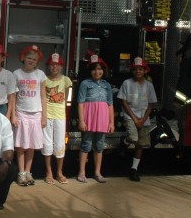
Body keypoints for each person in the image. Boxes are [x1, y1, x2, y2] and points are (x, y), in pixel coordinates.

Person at [117, 57, 157, 182]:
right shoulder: (127, 83)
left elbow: (150, 104)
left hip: (144, 117)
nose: (138, 71)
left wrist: (143, 118)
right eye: (135, 69)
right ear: (132, 71)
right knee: (133, 138)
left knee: (141, 144)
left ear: (145, 71)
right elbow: (123, 102)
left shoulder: (149, 86)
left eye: (140, 69)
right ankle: (124, 142)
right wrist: (134, 118)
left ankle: (134, 169)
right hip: (130, 116)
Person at [12, 45, 47, 187]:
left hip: (36, 113)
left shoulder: (41, 75)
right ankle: (21, 173)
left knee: (31, 145)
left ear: (37, 61)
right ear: (23, 58)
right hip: (21, 112)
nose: (31, 61)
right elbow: (13, 96)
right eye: (29, 58)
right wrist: (13, 115)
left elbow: (43, 97)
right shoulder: (16, 74)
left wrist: (44, 116)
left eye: (34, 59)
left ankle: (28, 172)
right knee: (20, 145)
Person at [77, 54, 114, 184]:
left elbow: (110, 104)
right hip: (89, 117)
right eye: (94, 69)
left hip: (102, 117)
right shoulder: (85, 83)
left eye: (99, 69)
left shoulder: (106, 85)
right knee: (86, 143)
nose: (97, 72)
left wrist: (111, 122)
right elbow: (80, 102)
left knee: (99, 145)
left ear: (103, 70)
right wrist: (82, 120)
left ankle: (97, 172)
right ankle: (82, 173)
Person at [41, 53, 72, 184]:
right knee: (47, 144)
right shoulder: (44, 80)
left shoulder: (67, 80)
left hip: (60, 116)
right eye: (52, 64)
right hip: (47, 115)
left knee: (60, 145)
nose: (55, 67)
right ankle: (49, 172)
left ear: (61, 66)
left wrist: (67, 117)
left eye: (57, 64)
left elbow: (69, 100)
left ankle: (59, 172)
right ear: (48, 66)